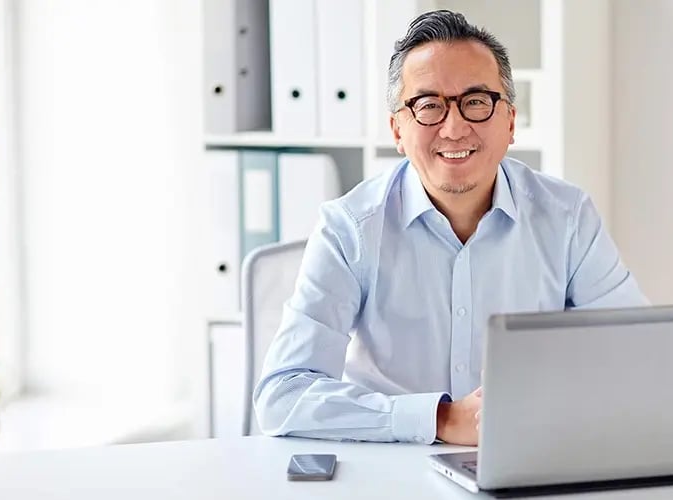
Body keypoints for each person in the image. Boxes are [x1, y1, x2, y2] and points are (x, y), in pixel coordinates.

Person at [253, 10, 648, 446]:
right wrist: (438, 419)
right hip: (389, 468)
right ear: (397, 130)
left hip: (530, 460)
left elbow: (634, 356)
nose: (455, 127)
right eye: (428, 106)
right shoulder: (349, 229)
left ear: (511, 122)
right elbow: (283, 394)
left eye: (477, 101)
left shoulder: (568, 218)